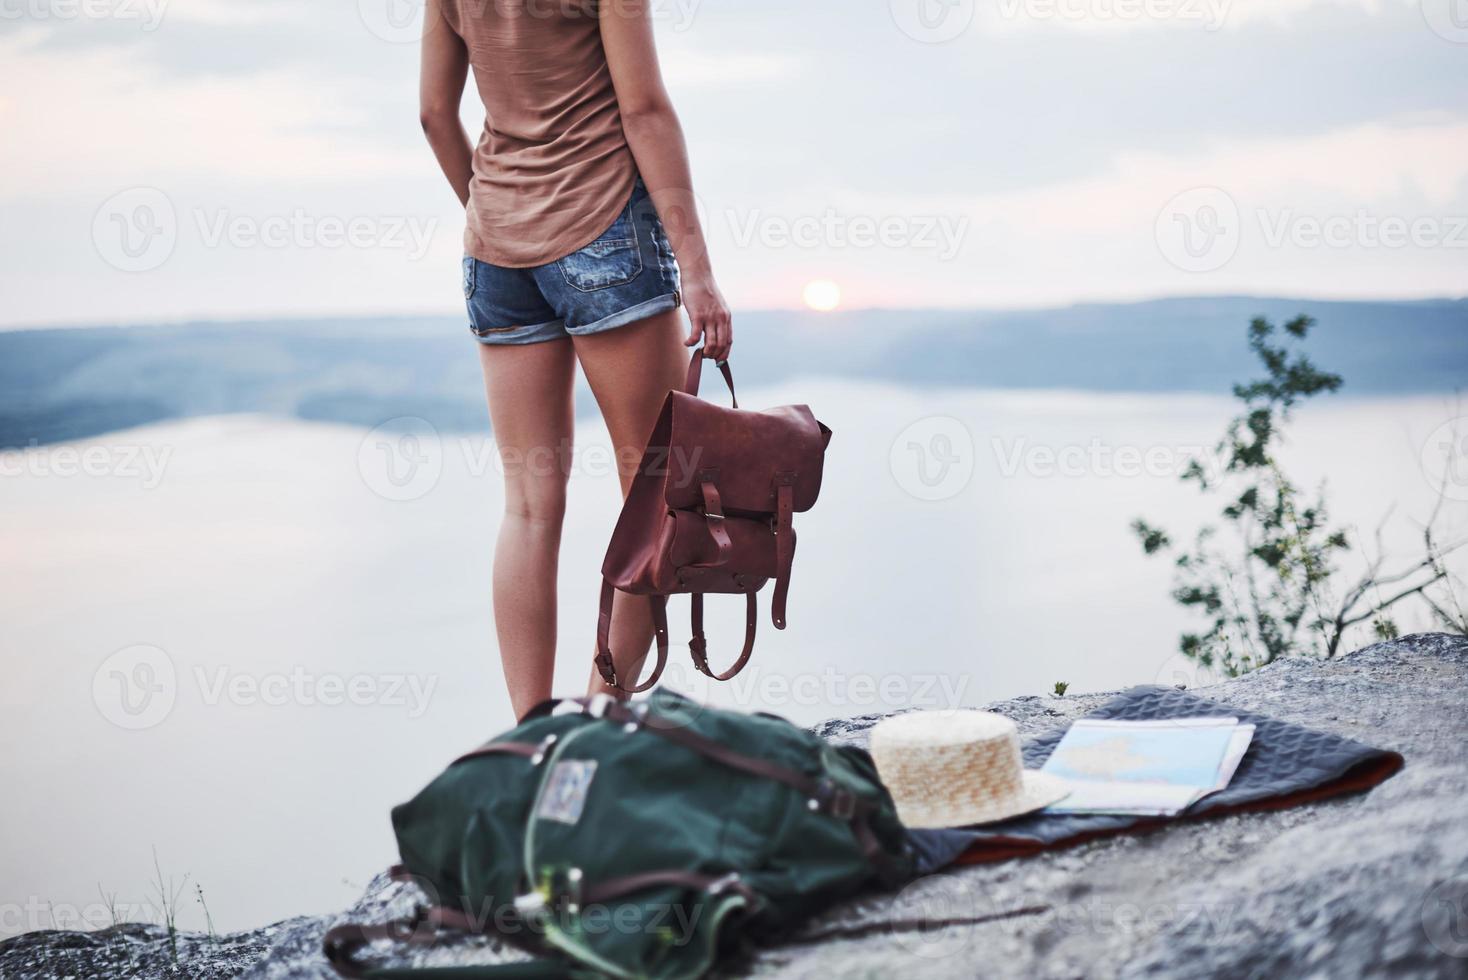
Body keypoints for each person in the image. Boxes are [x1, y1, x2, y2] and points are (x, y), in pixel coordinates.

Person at [419, 0, 731, 719]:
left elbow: (436, 114)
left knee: (528, 507)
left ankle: (529, 735)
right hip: (606, 232)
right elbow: (645, 112)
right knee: (653, 497)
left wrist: (495, 206)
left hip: (495, 251)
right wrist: (699, 271)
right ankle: (597, 720)